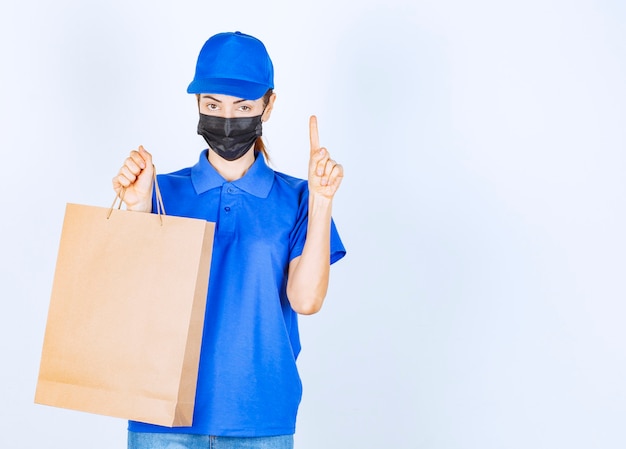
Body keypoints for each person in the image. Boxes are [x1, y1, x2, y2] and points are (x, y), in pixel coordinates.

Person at [112, 31, 346, 449]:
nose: (227, 118)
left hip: (259, 416)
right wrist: (138, 209)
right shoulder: (161, 190)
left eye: (243, 106)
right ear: (198, 104)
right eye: (213, 105)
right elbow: (131, 300)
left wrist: (321, 201)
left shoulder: (296, 198)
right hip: (159, 417)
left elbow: (306, 301)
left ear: (268, 106)